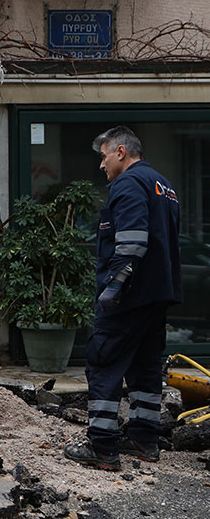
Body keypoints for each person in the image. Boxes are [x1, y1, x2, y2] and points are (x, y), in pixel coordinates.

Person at [64, 126, 182, 472]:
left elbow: (132, 243)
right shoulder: (164, 186)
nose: (101, 166)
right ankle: (145, 440)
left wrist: (113, 289)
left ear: (120, 152)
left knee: (103, 362)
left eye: (103, 156)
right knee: (145, 366)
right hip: (158, 295)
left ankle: (102, 448)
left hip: (129, 296)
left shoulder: (129, 184)